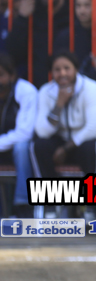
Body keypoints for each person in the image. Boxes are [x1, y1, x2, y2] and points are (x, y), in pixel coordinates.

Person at [30, 51, 96, 178]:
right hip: (60, 141)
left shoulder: (91, 88)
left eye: (67, 68)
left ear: (76, 69)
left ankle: (94, 189)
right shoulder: (45, 91)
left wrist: (66, 148)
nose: (62, 74)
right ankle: (49, 190)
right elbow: (42, 131)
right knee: (39, 146)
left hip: (83, 141)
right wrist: (59, 104)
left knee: (91, 148)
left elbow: (94, 127)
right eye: (57, 70)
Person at [0, 52, 37, 216]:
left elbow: (25, 133)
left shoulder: (26, 91)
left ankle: (23, 206)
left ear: (12, 75)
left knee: (22, 148)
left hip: (20, 149)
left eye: (1, 75)